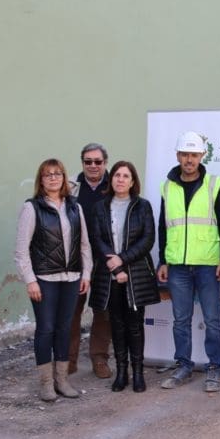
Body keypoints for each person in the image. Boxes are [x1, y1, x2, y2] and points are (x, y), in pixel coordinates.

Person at [157, 131, 220, 393]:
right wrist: (162, 260)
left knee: (212, 319)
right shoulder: (167, 187)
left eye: (194, 155)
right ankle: (184, 365)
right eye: (185, 154)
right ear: (178, 155)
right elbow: (164, 226)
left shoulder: (215, 184)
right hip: (177, 265)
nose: (189, 159)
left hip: (208, 264)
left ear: (202, 156)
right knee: (180, 320)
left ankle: (214, 367)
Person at [15, 159, 92, 402]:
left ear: (64, 178)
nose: (53, 178)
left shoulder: (75, 207)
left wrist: (86, 274)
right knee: (46, 329)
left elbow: (84, 245)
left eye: (57, 173)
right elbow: (21, 250)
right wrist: (30, 280)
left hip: (72, 278)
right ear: (41, 180)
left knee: (64, 328)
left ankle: (62, 380)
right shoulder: (32, 208)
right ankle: (46, 384)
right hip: (44, 279)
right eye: (47, 174)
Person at [89, 162, 158, 393]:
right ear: (112, 180)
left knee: (135, 325)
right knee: (116, 324)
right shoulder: (100, 207)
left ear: (132, 181)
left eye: (125, 176)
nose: (120, 179)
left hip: (135, 274)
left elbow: (147, 240)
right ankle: (121, 373)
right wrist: (113, 264)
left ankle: (138, 373)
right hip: (109, 274)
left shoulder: (142, 206)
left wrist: (122, 259)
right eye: (117, 175)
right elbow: (96, 238)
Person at [68, 143, 113, 379]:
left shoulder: (115, 186)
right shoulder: (71, 189)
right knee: (71, 310)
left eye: (98, 161)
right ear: (82, 163)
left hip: (105, 259)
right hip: (75, 260)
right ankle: (68, 360)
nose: (93, 166)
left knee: (103, 311)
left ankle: (99, 358)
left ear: (105, 162)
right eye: (88, 161)